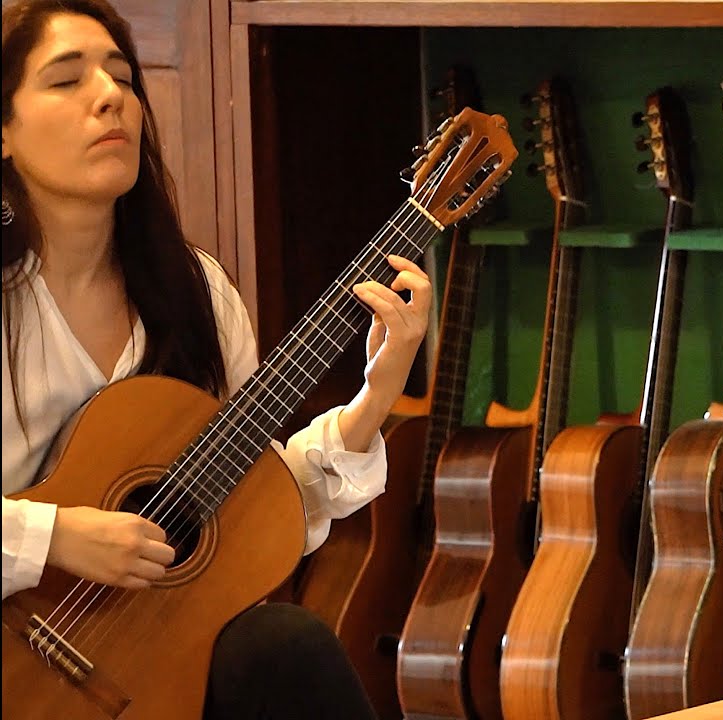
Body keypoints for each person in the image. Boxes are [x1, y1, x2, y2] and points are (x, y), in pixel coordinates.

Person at [1, 1, 432, 718]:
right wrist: (58, 536)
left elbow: (243, 502)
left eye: (121, 75)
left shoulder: (195, 291)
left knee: (282, 647)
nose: (110, 96)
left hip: (151, 664)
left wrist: (370, 403)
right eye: (65, 80)